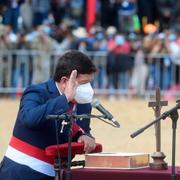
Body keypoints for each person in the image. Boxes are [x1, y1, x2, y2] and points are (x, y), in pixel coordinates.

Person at [0, 50, 97, 180]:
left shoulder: (84, 103)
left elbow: (80, 130)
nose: (89, 88)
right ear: (65, 81)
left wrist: (84, 136)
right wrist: (64, 99)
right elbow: (29, 119)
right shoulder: (37, 92)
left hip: (59, 172)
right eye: (84, 83)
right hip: (22, 171)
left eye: (90, 82)